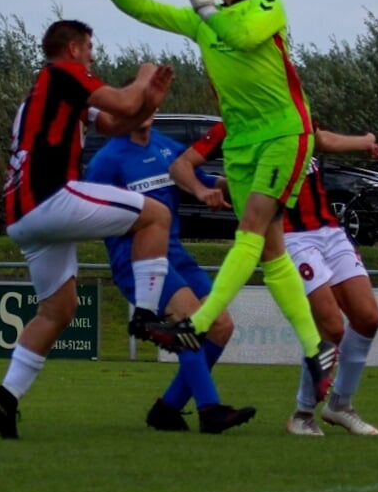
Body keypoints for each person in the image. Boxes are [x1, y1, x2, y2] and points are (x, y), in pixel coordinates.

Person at [65, 0, 336, 399]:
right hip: (243, 141)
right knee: (271, 254)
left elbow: (243, 36)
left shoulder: (267, 5)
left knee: (249, 232)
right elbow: (144, 10)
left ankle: (196, 324)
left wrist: (208, 10)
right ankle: (315, 348)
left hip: (284, 134)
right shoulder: (203, 20)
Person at [0, 19, 175, 439]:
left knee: (58, 311)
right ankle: (145, 316)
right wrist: (142, 79)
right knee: (157, 214)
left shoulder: (46, 89)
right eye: (89, 47)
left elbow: (114, 124)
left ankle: (6, 396)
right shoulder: (64, 73)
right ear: (72, 48)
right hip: (50, 198)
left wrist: (148, 103)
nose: (92, 55)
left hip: (22, 217)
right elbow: (122, 103)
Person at [180, 120, 378, 437]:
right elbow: (184, 165)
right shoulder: (233, 126)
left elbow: (323, 139)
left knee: (368, 318)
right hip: (290, 237)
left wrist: (365, 140)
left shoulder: (293, 116)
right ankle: (303, 414)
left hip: (329, 231)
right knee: (331, 326)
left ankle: (340, 406)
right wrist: (207, 189)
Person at [84, 113, 254, 434]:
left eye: (151, 102)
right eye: (138, 101)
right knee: (187, 319)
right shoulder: (107, 160)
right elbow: (91, 212)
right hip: (136, 259)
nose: (145, 109)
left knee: (221, 326)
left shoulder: (165, 146)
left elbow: (197, 177)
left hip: (175, 252)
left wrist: (229, 188)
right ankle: (209, 409)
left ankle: (167, 409)